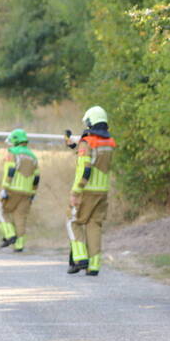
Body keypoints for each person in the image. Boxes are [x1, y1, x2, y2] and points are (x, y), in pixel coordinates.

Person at [66, 106, 117, 276]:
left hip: (86, 190)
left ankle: (80, 258)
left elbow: (86, 168)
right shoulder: (108, 143)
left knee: (73, 222)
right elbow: (94, 157)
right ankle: (94, 266)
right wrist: (75, 145)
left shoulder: (87, 142)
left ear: (90, 122)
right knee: (94, 226)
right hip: (102, 191)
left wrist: (76, 191)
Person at [0, 128, 40, 252]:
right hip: (27, 193)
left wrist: (4, 188)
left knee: (1, 211)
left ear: (15, 141)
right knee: (20, 217)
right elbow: (37, 178)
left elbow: (10, 171)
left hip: (12, 189)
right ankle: (19, 245)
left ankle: (10, 236)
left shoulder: (12, 152)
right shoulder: (33, 156)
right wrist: (33, 192)